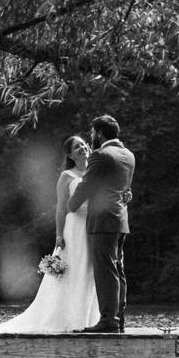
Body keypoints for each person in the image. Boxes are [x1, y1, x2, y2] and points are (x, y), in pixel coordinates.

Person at [0, 135, 99, 333]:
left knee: (89, 270)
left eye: (83, 144)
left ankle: (90, 318)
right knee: (73, 270)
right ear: (70, 155)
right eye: (77, 147)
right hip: (74, 228)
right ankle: (69, 318)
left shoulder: (95, 172)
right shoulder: (67, 176)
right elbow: (60, 209)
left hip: (92, 226)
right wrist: (59, 235)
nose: (82, 148)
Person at [67, 114, 135, 333]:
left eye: (92, 132)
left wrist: (72, 205)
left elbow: (86, 185)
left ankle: (108, 320)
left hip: (103, 220)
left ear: (99, 133)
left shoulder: (101, 155)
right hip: (121, 220)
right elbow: (125, 190)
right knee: (118, 269)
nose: (91, 136)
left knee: (105, 271)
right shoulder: (128, 155)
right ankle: (119, 318)